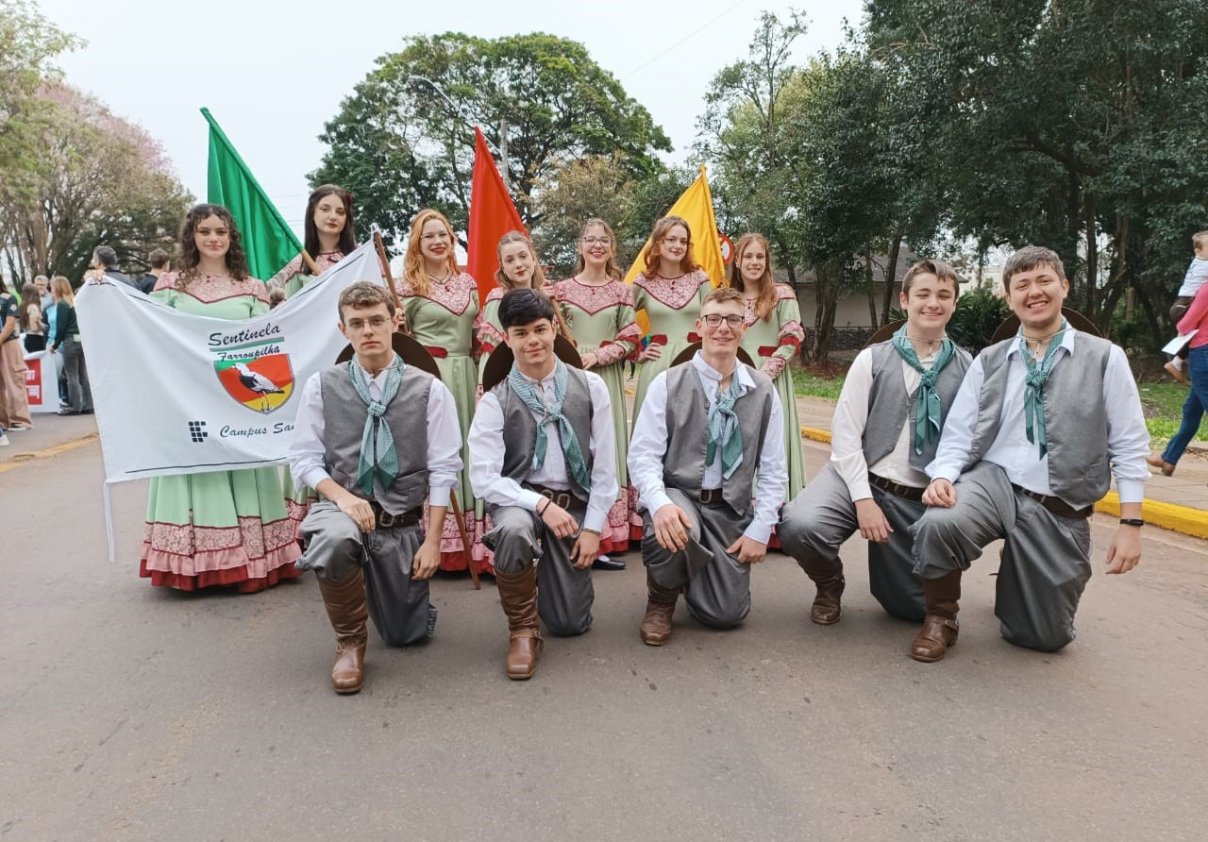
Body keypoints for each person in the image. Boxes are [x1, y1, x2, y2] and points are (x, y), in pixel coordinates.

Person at [911, 246, 1149, 661]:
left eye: (1044, 281)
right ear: (1009, 297)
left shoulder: (1104, 357)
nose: (1034, 292)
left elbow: (1129, 443)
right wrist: (944, 476)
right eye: (1022, 285)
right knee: (939, 522)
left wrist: (1131, 522)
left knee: (1043, 637)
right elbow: (960, 431)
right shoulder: (990, 360)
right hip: (994, 482)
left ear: (1064, 287)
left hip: (1059, 499)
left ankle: (1017, 571)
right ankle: (941, 616)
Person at [289, 282, 462, 694]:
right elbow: (304, 459)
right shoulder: (321, 386)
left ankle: (394, 594)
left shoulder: (429, 389)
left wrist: (433, 541)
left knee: (407, 635)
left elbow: (443, 468)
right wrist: (344, 499)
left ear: (394, 321)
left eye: (376, 321)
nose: (368, 330)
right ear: (342, 328)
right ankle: (349, 643)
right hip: (343, 506)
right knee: (332, 538)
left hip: (399, 520)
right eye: (357, 323)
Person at [779, 260, 970, 625]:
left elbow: (966, 439)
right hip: (859, 477)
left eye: (944, 295)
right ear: (904, 300)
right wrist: (863, 500)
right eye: (923, 294)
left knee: (909, 610)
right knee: (801, 525)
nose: (933, 303)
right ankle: (829, 583)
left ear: (954, 303)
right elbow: (846, 435)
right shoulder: (873, 358)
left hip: (915, 495)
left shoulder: (966, 366)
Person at [141, 203, 302, 592]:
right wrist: (101, 288)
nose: (213, 238)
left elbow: (267, 344)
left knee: (241, 462)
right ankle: (193, 562)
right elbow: (149, 333)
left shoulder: (252, 288)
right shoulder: (171, 286)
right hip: (188, 400)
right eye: (204, 231)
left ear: (231, 238)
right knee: (196, 466)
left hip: (238, 400)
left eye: (221, 232)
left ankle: (252, 557)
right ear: (191, 237)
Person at [469, 288, 618, 679]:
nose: (532, 341)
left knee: (571, 623)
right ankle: (522, 629)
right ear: (507, 338)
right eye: (521, 333)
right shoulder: (494, 400)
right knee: (514, 530)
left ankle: (552, 585)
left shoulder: (591, 386)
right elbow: (483, 478)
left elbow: (605, 467)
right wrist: (539, 505)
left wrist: (592, 528)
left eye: (539, 330)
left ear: (554, 329)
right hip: (523, 502)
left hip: (574, 507)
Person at [628, 286, 787, 646]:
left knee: (725, 615)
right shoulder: (667, 382)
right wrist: (660, 503)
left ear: (744, 327)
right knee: (675, 527)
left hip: (728, 508)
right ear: (699, 326)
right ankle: (661, 598)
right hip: (680, 494)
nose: (723, 327)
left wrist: (761, 528)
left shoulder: (762, 390)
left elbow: (774, 468)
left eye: (733, 319)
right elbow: (643, 456)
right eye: (713, 318)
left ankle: (692, 574)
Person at [395, 208, 483, 573]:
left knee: (469, 446)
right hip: (427, 373)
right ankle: (435, 543)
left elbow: (479, 333)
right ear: (418, 242)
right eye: (429, 235)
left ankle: (472, 541)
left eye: (443, 234)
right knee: (435, 453)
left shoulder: (469, 283)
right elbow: (398, 340)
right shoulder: (404, 286)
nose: (437, 241)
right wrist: (398, 326)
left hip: (466, 371)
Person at [550, 219, 641, 568]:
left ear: (612, 247)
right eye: (590, 239)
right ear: (580, 246)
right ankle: (571, 531)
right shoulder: (559, 290)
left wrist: (599, 356)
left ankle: (604, 535)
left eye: (604, 240)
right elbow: (551, 332)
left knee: (604, 451)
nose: (597, 245)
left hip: (607, 377)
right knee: (573, 449)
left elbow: (632, 336)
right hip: (569, 376)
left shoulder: (622, 291)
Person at [729, 233, 807, 500]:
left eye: (759, 256)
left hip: (771, 382)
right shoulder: (729, 298)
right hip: (733, 382)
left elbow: (792, 338)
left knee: (772, 445)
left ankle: (774, 516)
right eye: (748, 256)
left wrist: (764, 375)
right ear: (737, 261)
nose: (754, 262)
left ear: (767, 261)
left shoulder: (781, 294)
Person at [630, 216, 714, 425]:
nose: (678, 246)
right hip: (657, 365)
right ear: (658, 242)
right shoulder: (643, 281)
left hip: (696, 362)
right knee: (653, 430)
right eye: (671, 239)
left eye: (683, 241)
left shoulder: (699, 278)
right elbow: (618, 319)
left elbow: (713, 320)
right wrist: (639, 349)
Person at [1148, 276, 1208, 476]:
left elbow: (1186, 323)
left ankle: (1169, 457)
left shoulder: (1206, 289)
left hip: (1203, 351)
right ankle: (1169, 459)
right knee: (1192, 409)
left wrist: (1181, 327)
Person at [268, 184, 356, 296]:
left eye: (340, 212)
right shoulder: (299, 264)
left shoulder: (362, 257)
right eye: (325, 209)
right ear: (312, 213)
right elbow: (290, 308)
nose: (333, 216)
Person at [1163, 230, 1208, 384]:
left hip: (1181, 303)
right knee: (1188, 333)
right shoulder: (1203, 265)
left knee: (1191, 335)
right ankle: (1177, 362)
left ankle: (1181, 362)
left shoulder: (1198, 262)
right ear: (1198, 250)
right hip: (1184, 304)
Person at [48, 276, 90, 416]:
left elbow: (61, 328)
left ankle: (75, 406)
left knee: (71, 375)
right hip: (81, 340)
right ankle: (88, 405)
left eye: (53, 286)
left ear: (58, 287)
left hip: (70, 341)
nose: (51, 289)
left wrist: (55, 344)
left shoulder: (62, 304)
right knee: (83, 374)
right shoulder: (75, 301)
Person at [0, 276, 33, 431]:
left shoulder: (8, 298)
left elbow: (10, 323)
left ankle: (20, 420)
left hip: (8, 343)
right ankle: (2, 421)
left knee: (14, 381)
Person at [18, 282, 46, 353]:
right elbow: (34, 328)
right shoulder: (33, 307)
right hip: (36, 339)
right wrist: (43, 326)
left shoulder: (23, 306)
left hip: (29, 337)